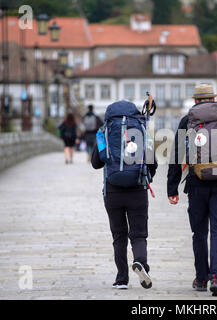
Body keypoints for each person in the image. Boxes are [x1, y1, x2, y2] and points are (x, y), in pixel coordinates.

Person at [167, 83, 217, 296]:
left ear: (195, 101)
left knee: (199, 233)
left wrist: (171, 188)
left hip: (197, 183)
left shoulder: (188, 120)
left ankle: (201, 279)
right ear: (213, 98)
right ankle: (216, 278)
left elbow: (176, 156)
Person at [91, 100, 157, 290]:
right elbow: (152, 160)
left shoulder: (105, 130)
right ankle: (140, 262)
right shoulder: (141, 128)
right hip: (137, 187)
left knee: (119, 235)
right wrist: (147, 174)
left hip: (112, 190)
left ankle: (121, 279)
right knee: (138, 234)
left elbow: (96, 163)